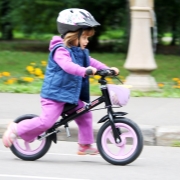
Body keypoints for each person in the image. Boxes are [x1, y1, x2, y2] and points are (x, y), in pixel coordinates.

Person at [2, 8, 119, 155]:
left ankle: (85, 144)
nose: (87, 41)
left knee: (86, 114)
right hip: (55, 95)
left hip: (70, 96)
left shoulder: (79, 51)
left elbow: (91, 61)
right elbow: (67, 66)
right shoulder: (60, 50)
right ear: (74, 34)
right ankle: (16, 129)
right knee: (46, 122)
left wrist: (108, 69)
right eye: (84, 37)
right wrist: (84, 70)